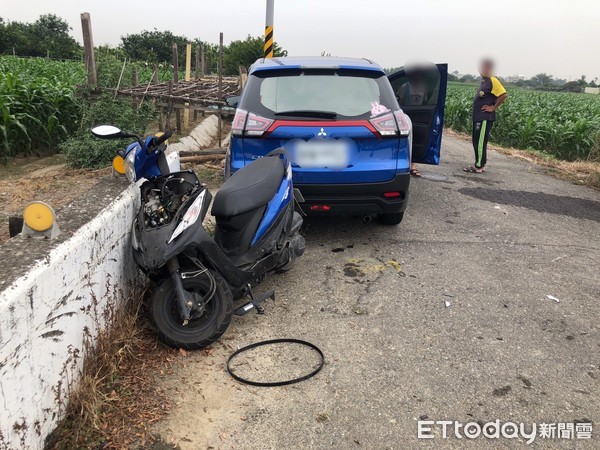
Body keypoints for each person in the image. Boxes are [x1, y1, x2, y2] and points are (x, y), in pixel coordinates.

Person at [464, 59, 508, 174]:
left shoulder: (493, 80)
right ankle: (481, 165)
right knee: (477, 141)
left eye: (484, 68)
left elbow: (504, 94)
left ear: (489, 69)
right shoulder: (485, 81)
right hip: (478, 117)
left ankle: (478, 166)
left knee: (479, 142)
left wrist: (493, 107)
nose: (481, 70)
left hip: (484, 118)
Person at [397, 70, 428, 177]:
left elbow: (425, 103)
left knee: (416, 140)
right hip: (405, 117)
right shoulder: (404, 87)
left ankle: (413, 165)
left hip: (417, 117)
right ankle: (403, 163)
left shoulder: (424, 88)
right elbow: (398, 102)